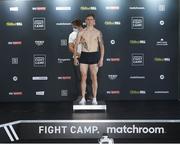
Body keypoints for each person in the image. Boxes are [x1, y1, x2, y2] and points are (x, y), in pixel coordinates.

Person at [73, 14, 105, 105]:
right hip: (84, 55)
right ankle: (83, 98)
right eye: (88, 19)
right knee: (83, 77)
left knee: (94, 77)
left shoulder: (98, 32)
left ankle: (94, 98)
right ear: (85, 21)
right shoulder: (81, 32)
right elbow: (75, 46)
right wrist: (75, 57)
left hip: (94, 55)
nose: (90, 21)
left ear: (94, 21)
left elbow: (102, 47)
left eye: (91, 19)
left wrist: (101, 59)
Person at [68, 19, 92, 100]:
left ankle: (89, 95)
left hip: (87, 57)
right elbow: (70, 47)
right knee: (79, 77)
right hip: (77, 58)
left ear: (78, 25)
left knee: (88, 77)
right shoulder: (71, 35)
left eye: (73, 26)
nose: (73, 27)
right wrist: (77, 54)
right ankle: (81, 95)